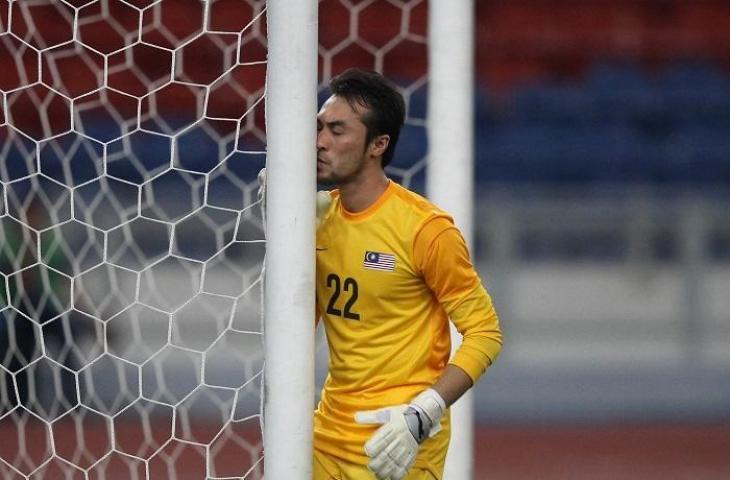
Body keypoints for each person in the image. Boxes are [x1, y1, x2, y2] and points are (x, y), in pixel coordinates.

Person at [313, 68, 503, 480]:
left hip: (398, 438)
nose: (320, 142)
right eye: (319, 127)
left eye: (337, 131)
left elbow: (486, 333)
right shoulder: (319, 219)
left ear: (377, 145)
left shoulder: (424, 229)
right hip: (325, 435)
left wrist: (423, 414)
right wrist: (283, 238)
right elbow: (294, 324)